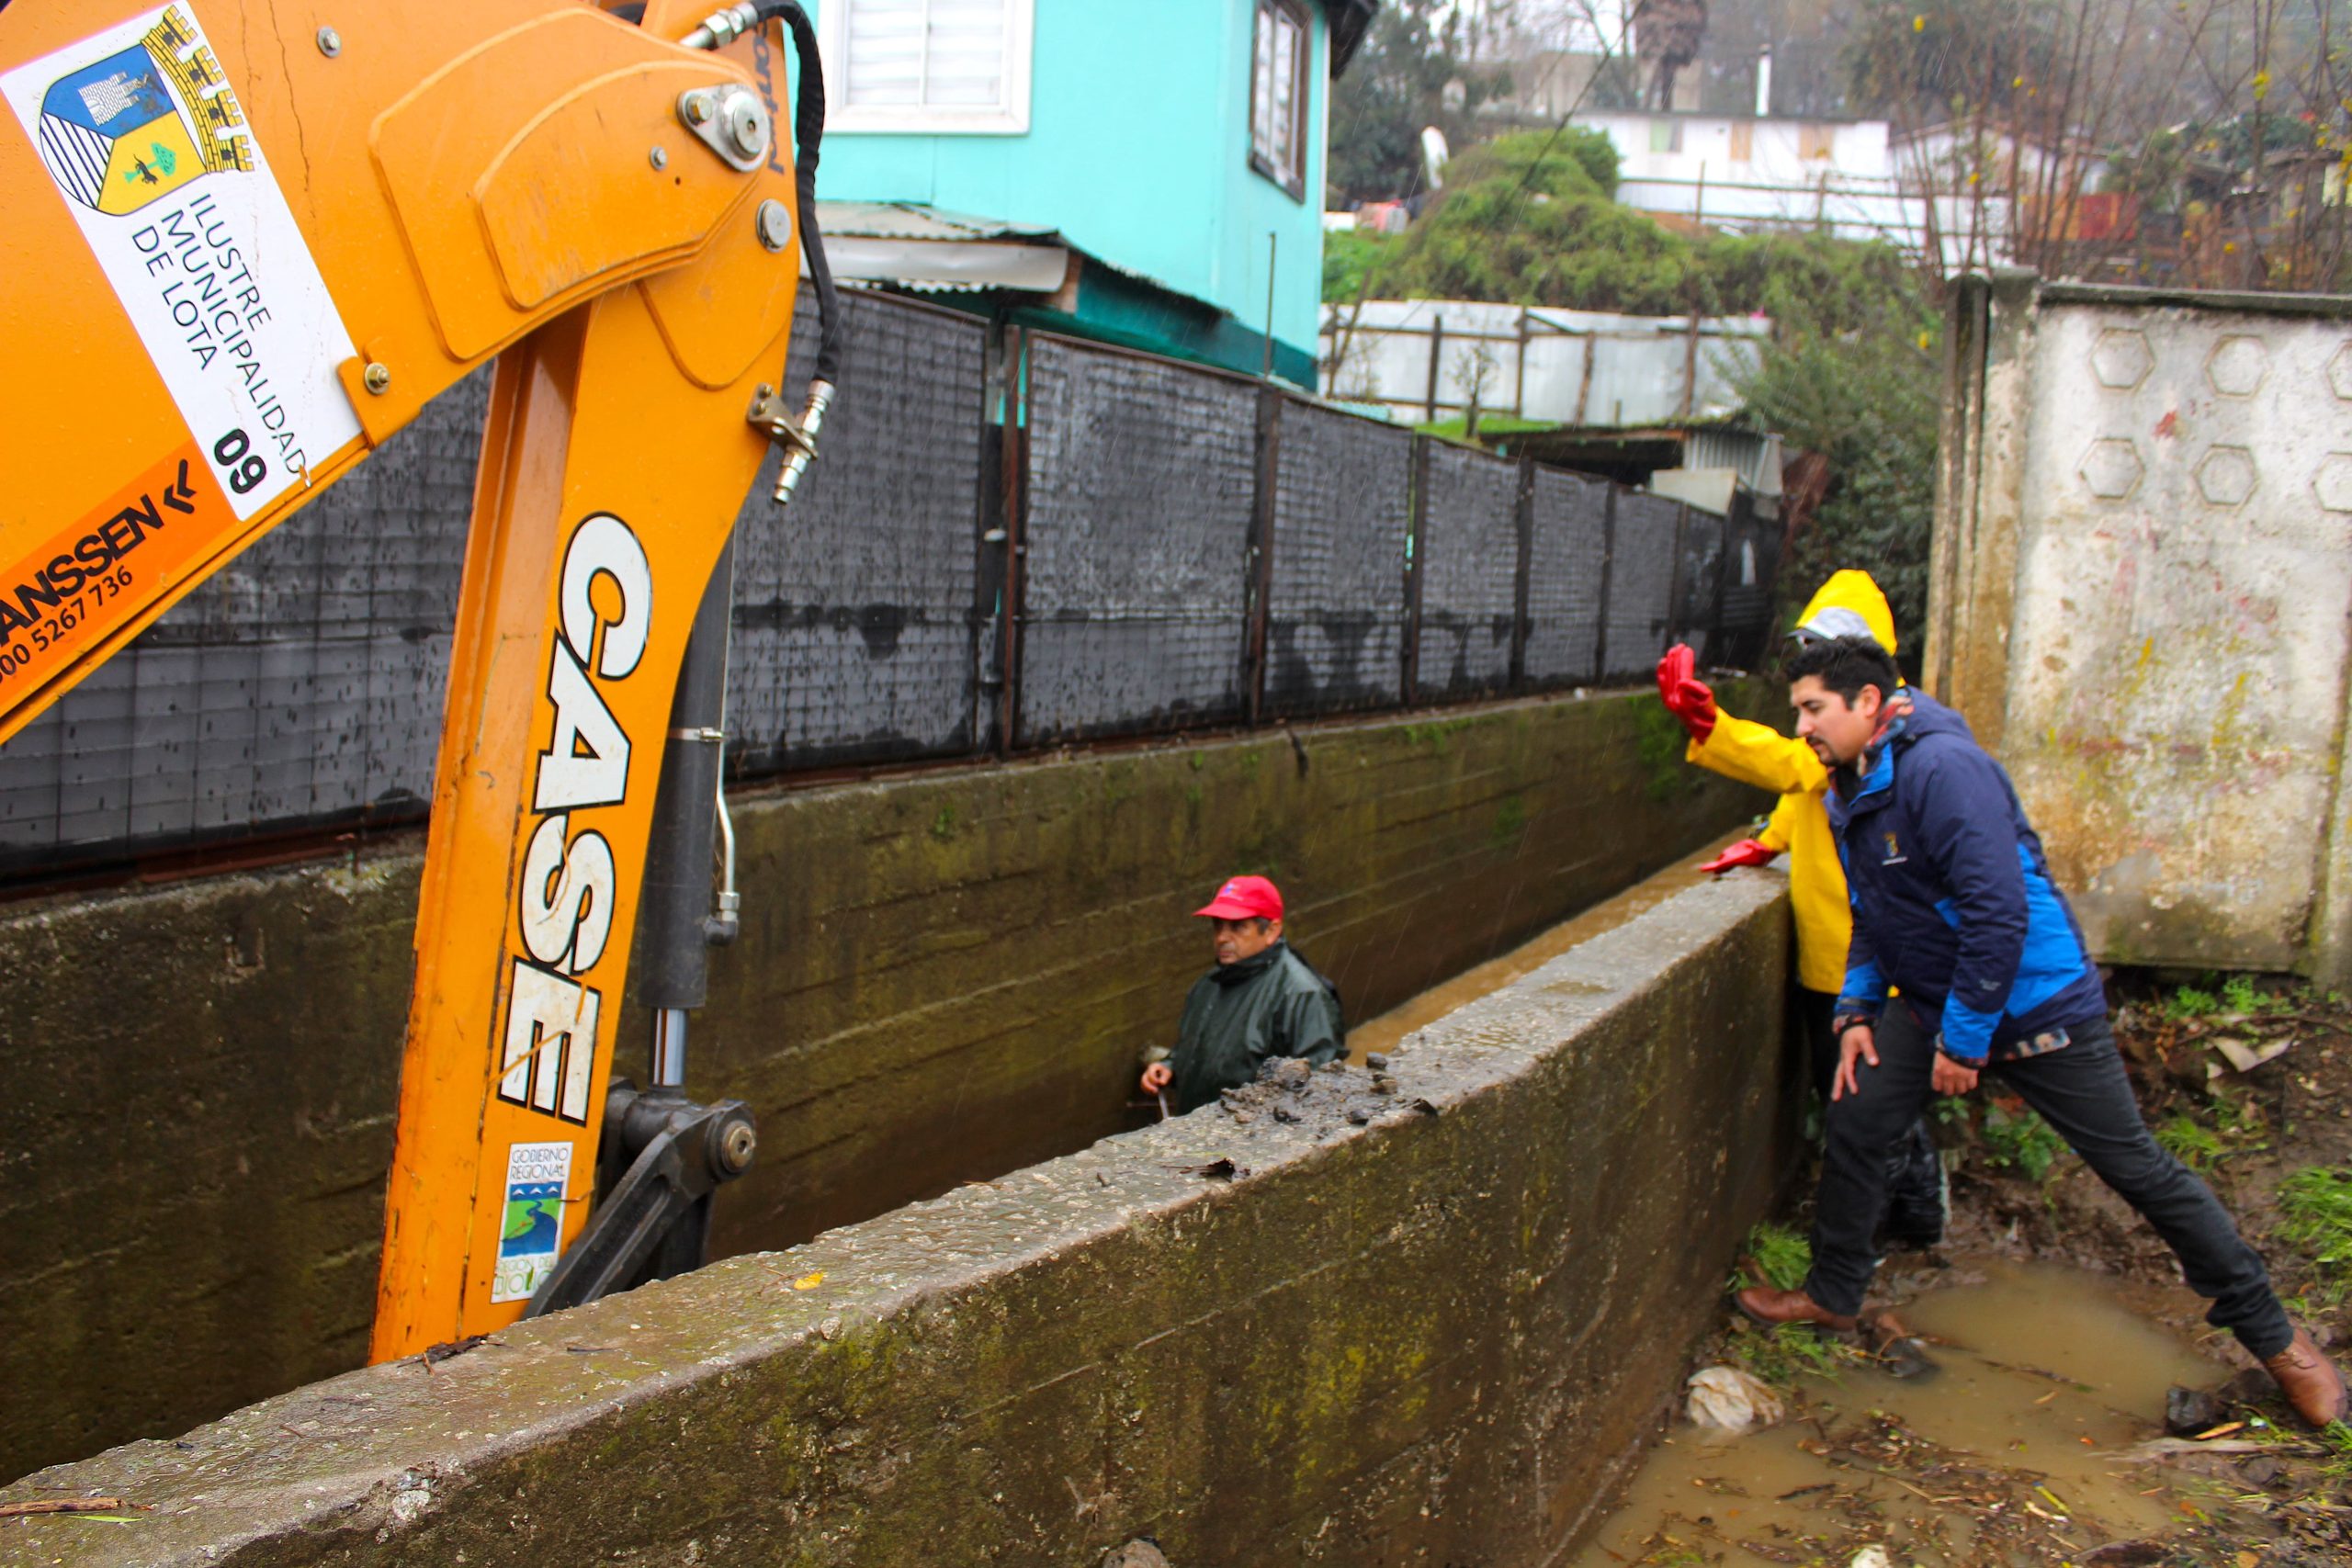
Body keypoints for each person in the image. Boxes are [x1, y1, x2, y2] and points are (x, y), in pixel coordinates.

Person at [1735, 635, 2346, 1427]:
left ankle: (2283, 1344)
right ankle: (1832, 1294)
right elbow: (1876, 911)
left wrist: (1964, 1042)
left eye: (1813, 709)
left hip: (2035, 1003)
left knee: (2136, 1168)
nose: (1802, 727)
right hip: (1931, 997)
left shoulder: (1942, 771)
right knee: (1859, 1112)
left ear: (1867, 704)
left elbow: (1999, 913)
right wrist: (1856, 1011)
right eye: (1797, 712)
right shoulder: (1848, 783)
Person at [1657, 570, 1946, 1248]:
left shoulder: (1881, 729)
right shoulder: (1855, 730)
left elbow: (1795, 766)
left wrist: (1712, 724)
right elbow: (1805, 793)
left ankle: (1883, 1233)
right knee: (1855, 1090)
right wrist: (1768, 842)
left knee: (1866, 1102)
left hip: (1867, 958)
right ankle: (1909, 1220)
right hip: (1837, 951)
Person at [1139, 874, 1344, 1114]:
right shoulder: (1208, 984)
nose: (1222, 938)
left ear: (1271, 931)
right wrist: (1170, 1066)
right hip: (1198, 1131)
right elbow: (1198, 1048)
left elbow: (1319, 1085)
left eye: (1237, 927)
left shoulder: (1302, 995)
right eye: (1218, 925)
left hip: (1250, 1137)